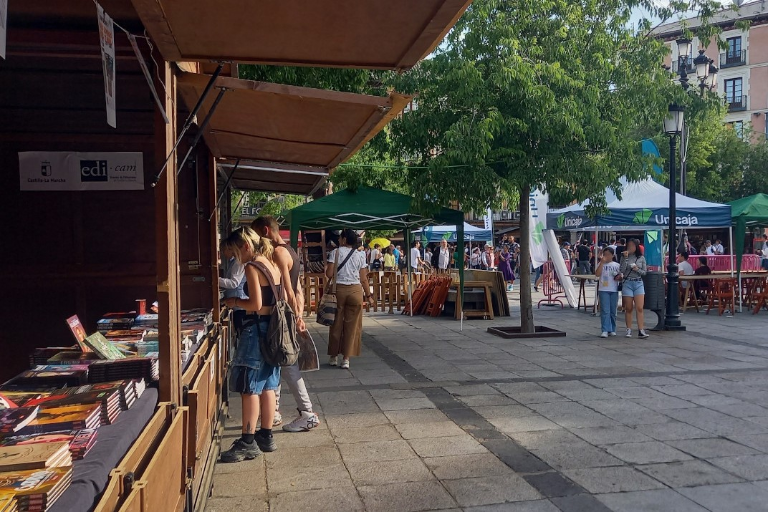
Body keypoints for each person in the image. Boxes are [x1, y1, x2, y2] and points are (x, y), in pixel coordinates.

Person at [252, 216, 319, 433]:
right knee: (278, 361)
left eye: (256, 235)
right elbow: (298, 289)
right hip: (288, 314)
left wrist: (295, 318)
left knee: (288, 364)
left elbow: (289, 289)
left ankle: (307, 413)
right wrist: (299, 314)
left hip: (282, 315)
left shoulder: (278, 253)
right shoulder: (290, 251)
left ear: (265, 231)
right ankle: (275, 411)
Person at [220, 227, 282, 462]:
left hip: (255, 329)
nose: (237, 258)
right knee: (268, 385)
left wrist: (234, 301)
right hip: (273, 330)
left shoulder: (252, 266)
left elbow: (255, 304)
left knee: (250, 387)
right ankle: (266, 435)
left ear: (246, 246)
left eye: (237, 253)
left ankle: (247, 441)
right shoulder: (271, 263)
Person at [326, 229, 373, 370]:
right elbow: (363, 278)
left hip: (338, 290)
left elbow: (329, 273)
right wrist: (369, 296)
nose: (338, 239)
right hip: (355, 290)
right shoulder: (360, 255)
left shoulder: (335, 253)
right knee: (352, 326)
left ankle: (333, 356)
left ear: (344, 239)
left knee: (336, 324)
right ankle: (346, 359)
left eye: (340, 238)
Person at [619, 239, 649, 339]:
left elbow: (644, 272)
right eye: (629, 246)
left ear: (636, 247)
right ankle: (628, 329)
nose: (630, 247)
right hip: (627, 282)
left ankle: (641, 329)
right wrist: (625, 258)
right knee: (629, 308)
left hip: (638, 282)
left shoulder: (641, 258)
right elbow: (622, 270)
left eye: (632, 246)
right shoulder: (623, 257)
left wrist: (637, 269)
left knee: (639, 307)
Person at [596, 247, 620, 338]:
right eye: (605, 254)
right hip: (603, 289)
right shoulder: (600, 264)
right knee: (605, 310)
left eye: (608, 255)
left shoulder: (617, 265)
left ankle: (612, 329)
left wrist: (619, 277)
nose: (606, 256)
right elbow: (597, 274)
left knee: (613, 311)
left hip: (614, 289)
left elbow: (620, 276)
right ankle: (605, 329)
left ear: (612, 255)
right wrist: (602, 263)